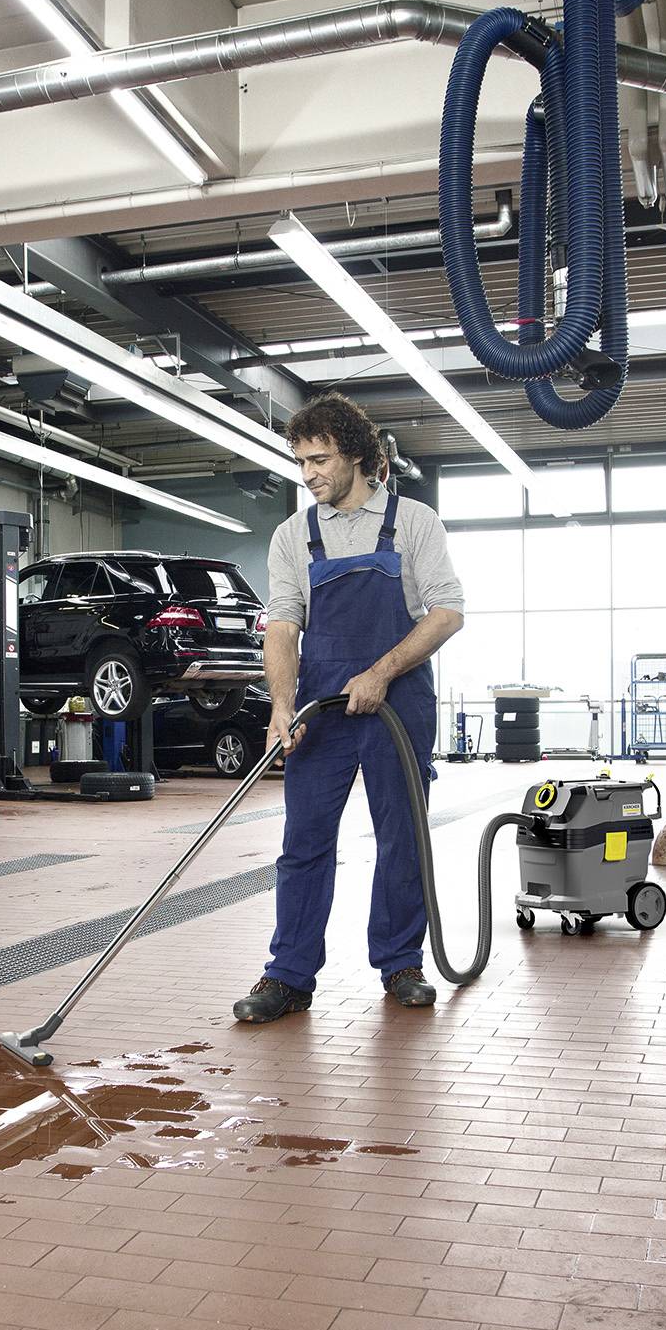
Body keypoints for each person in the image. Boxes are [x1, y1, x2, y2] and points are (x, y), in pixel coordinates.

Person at [234, 393, 465, 1025]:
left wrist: (382, 672)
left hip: (399, 699)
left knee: (401, 837)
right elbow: (281, 625)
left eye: (320, 459)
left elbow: (446, 613)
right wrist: (283, 707)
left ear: (358, 456)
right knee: (304, 841)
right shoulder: (292, 535)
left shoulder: (413, 523)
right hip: (320, 705)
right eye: (300, 462)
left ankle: (400, 962)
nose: (308, 474)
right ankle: (288, 975)